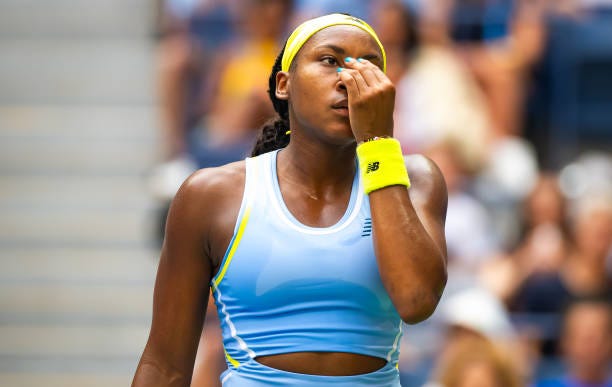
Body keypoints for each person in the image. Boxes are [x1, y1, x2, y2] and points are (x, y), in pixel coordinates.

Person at [132, 13, 448, 386]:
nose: (350, 79)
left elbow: (416, 300)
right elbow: (165, 366)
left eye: (369, 66)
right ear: (284, 84)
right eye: (330, 61)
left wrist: (378, 145)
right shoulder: (209, 196)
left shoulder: (415, 179)